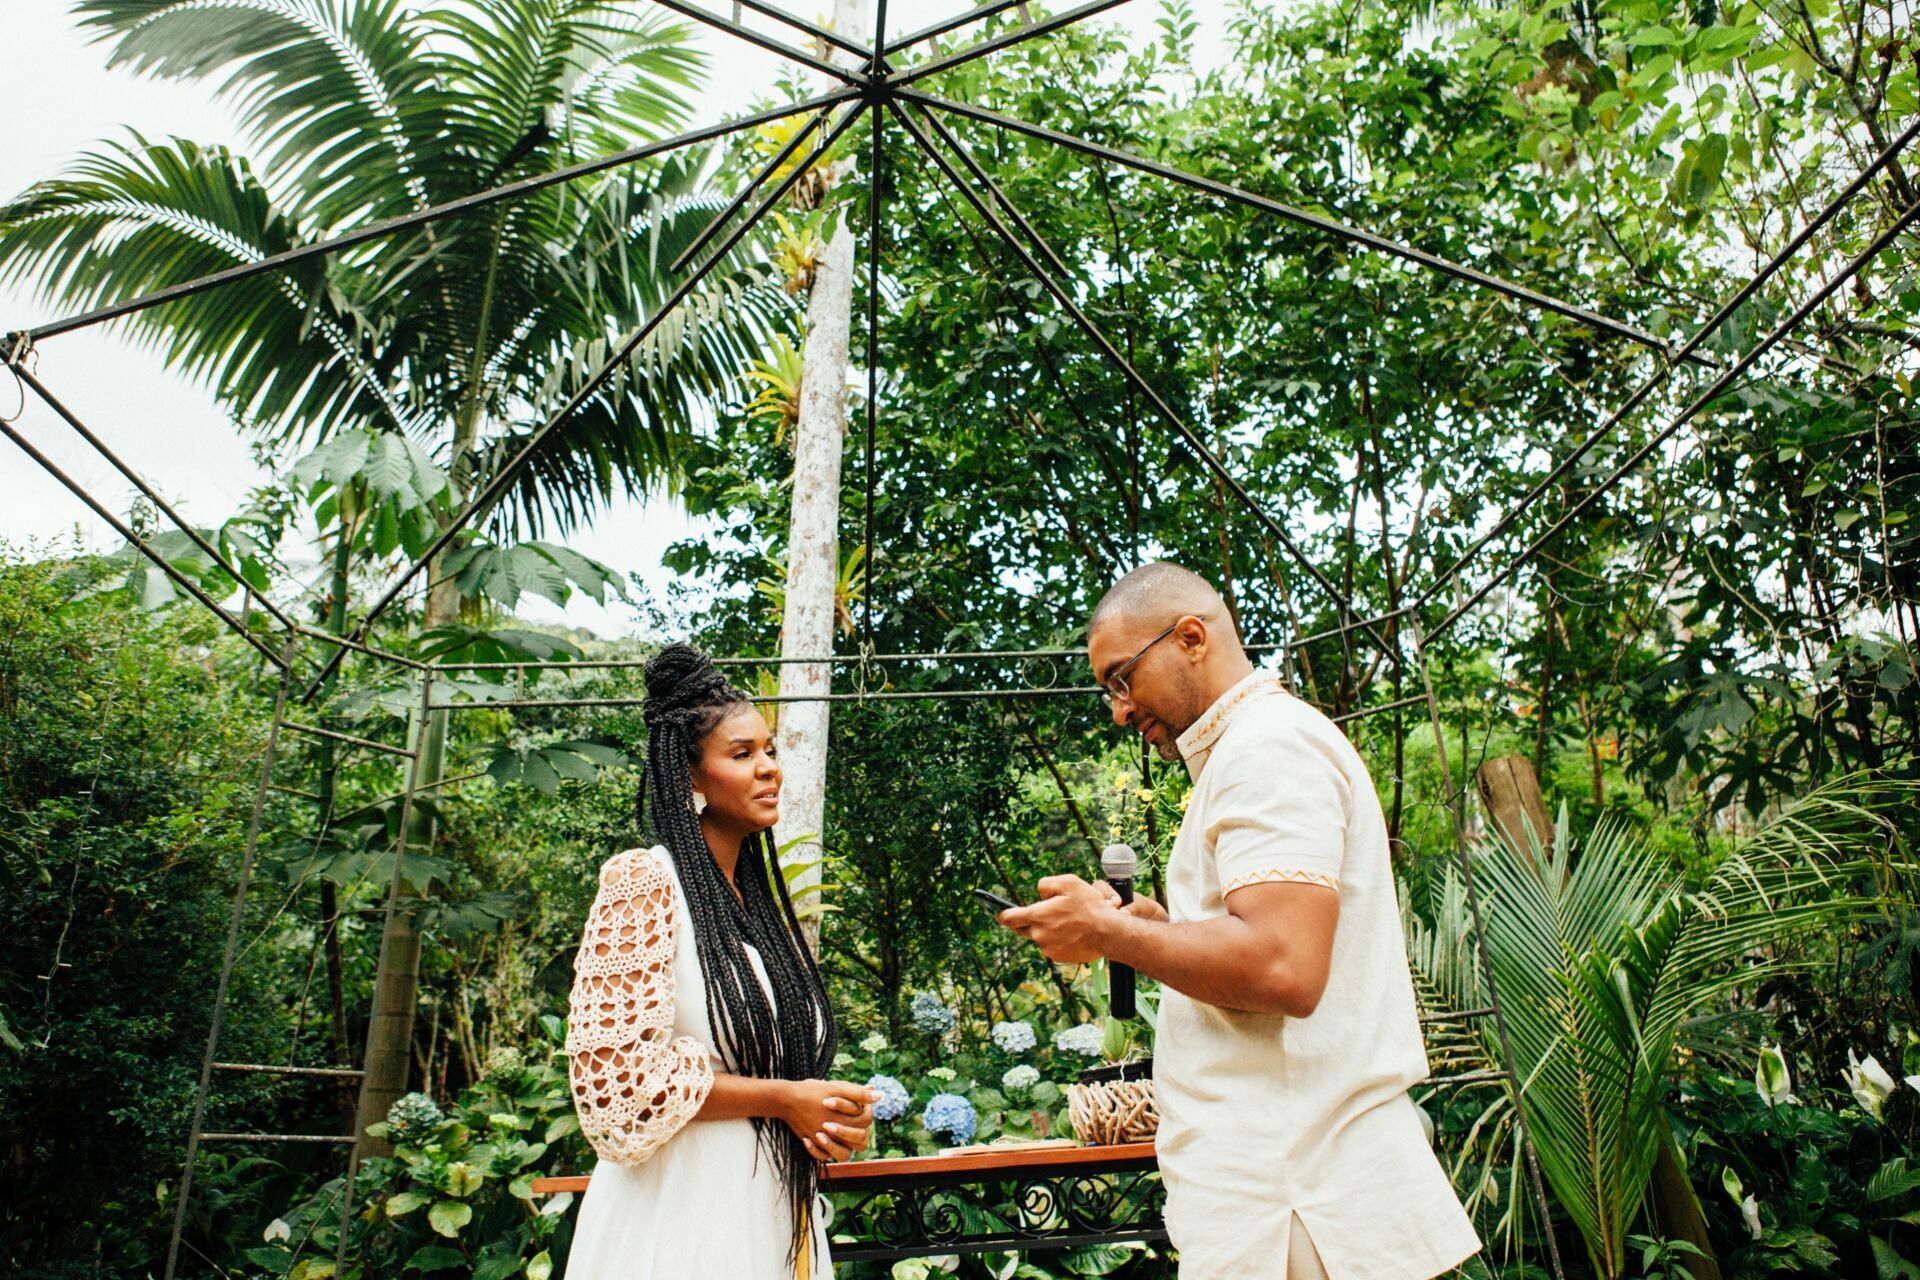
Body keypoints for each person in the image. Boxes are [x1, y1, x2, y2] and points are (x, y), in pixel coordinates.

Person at [1000, 563, 1481, 1280]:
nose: (1120, 710)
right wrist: (1157, 925)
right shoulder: (1248, 751)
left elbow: (1282, 967)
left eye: (1122, 679)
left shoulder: (1268, 750)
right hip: (1288, 1198)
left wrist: (1112, 933)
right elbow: (1258, 955)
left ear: (1191, 636)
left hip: (1300, 1204)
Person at [564, 643, 878, 1280]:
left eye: (769, 750)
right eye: (742, 755)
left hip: (769, 1214)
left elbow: (774, 1075)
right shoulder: (645, 882)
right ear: (689, 778)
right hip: (678, 1221)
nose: (768, 769)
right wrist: (784, 1099)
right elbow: (617, 1091)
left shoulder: (755, 906)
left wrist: (823, 1115)